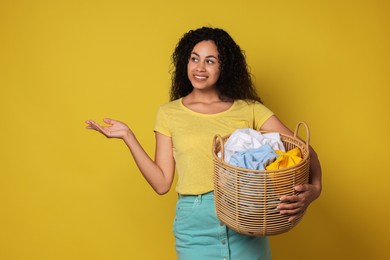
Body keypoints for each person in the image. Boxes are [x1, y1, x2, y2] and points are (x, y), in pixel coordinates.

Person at [85, 27, 322, 260]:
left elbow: (304, 151)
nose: (200, 67)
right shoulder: (169, 113)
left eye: (210, 61)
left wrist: (315, 190)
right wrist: (128, 136)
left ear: (224, 66)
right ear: (185, 63)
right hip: (195, 227)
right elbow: (161, 183)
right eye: (194, 59)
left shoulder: (250, 109)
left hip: (245, 218)